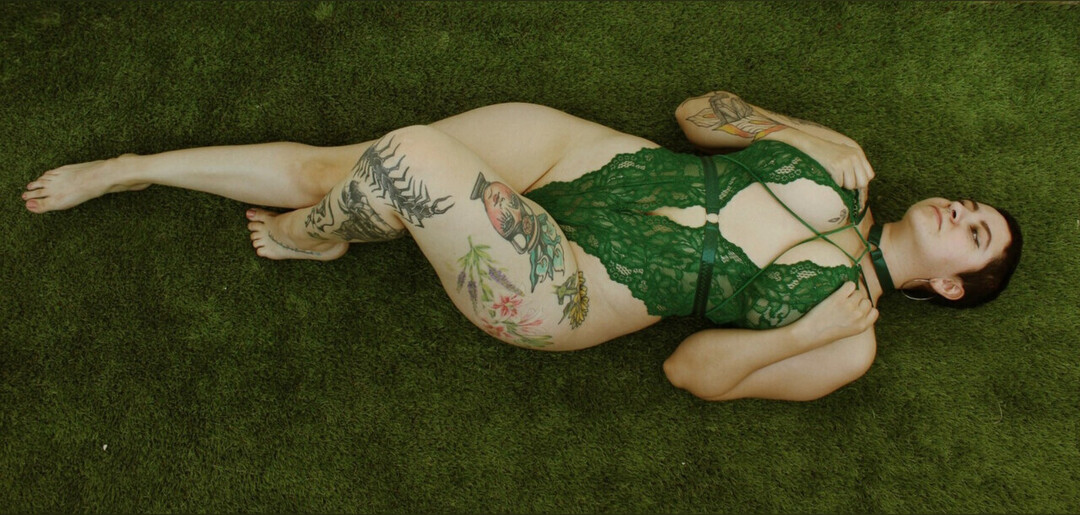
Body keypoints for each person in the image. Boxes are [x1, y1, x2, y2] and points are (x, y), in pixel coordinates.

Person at [21, 91, 1022, 401]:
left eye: (975, 234)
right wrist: (798, 128)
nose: (960, 211)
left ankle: (305, 239)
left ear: (954, 286)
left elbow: (693, 372)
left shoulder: (850, 342)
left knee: (406, 159)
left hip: (573, 285)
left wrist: (800, 331)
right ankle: (134, 167)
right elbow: (698, 113)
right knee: (343, 166)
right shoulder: (844, 165)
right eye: (972, 204)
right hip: (585, 161)